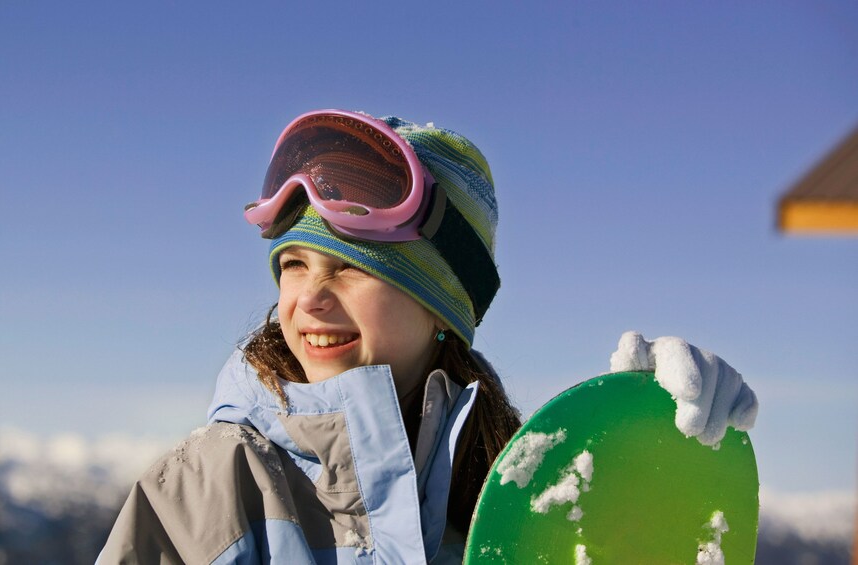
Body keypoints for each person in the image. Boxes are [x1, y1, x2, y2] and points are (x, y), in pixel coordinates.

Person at [97, 109, 758, 564]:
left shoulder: (510, 488)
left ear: (443, 304)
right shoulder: (219, 483)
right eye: (293, 264)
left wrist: (646, 448)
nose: (308, 298)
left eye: (351, 266)